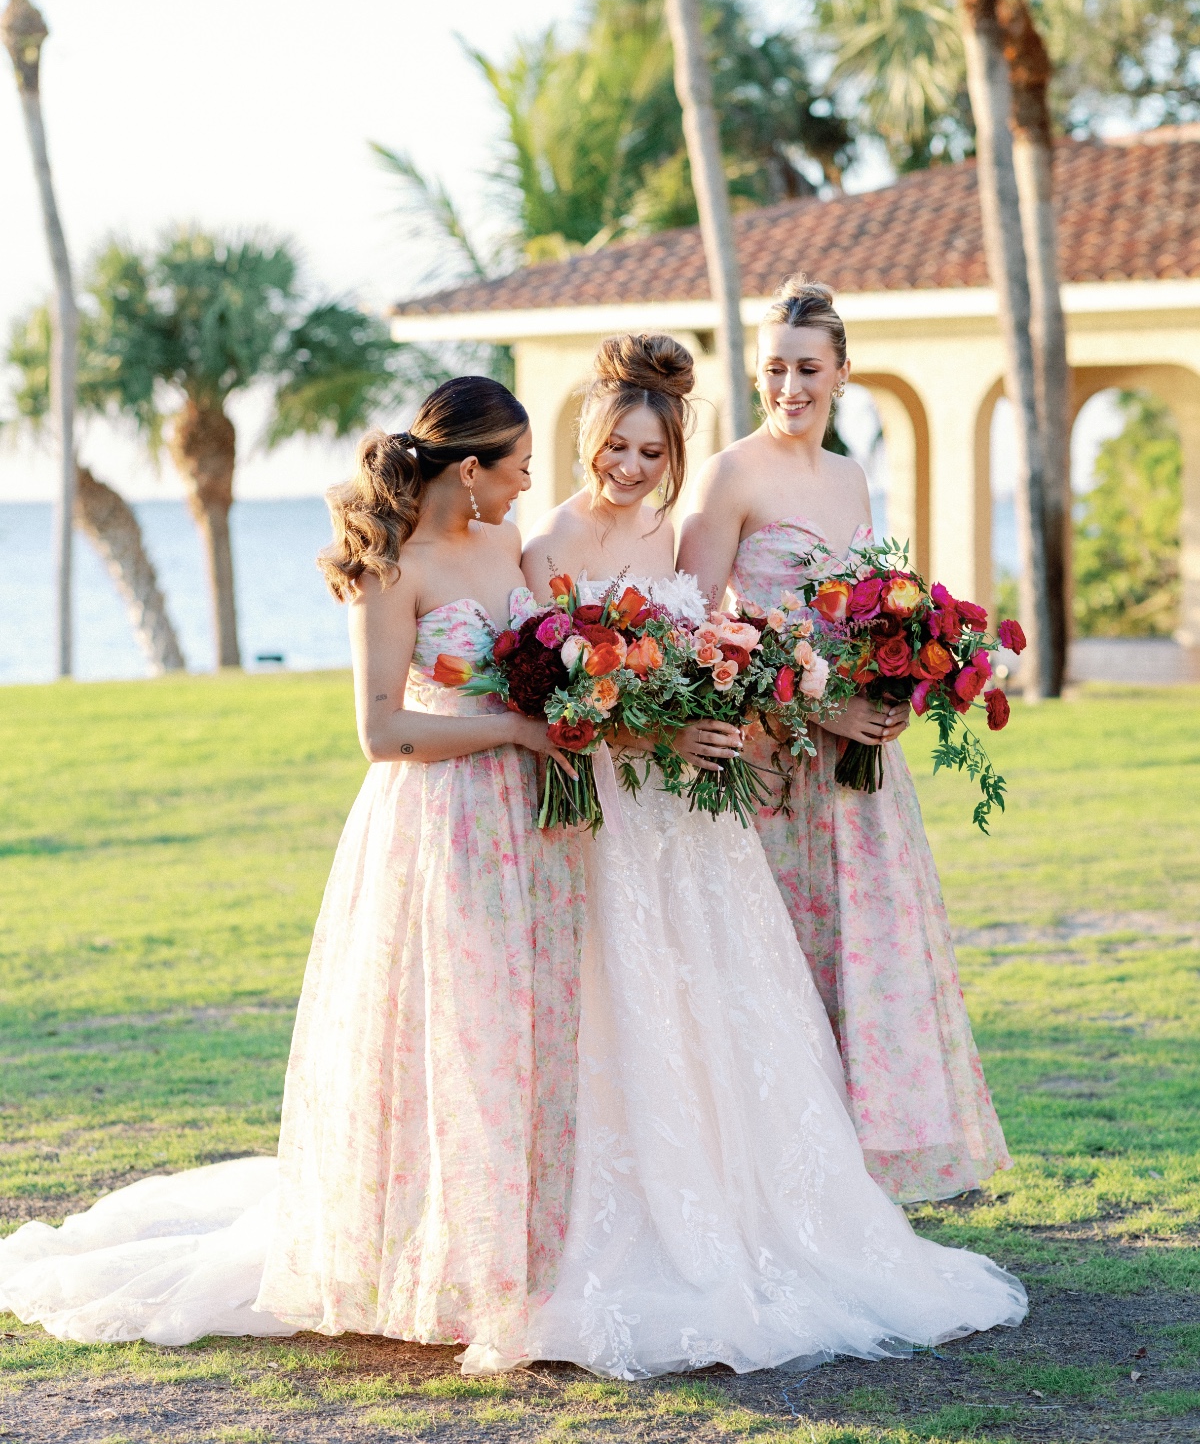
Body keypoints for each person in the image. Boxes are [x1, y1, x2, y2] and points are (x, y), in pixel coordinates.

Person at [0, 377, 586, 1365]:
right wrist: (517, 729)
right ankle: (436, 1261)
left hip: (527, 822)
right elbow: (381, 729)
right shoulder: (390, 570)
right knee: (450, 1030)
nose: (531, 484)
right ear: (473, 469)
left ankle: (524, 1246)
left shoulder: (507, 548)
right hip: (437, 822)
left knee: (523, 1027)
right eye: (521, 467)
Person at [516, 333, 1025, 1378]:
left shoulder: (664, 539)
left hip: (693, 816)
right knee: (630, 1003)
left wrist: (716, 713)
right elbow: (556, 696)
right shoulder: (548, 546)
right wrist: (655, 730)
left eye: (652, 454)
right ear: (587, 439)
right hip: (616, 811)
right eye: (617, 446)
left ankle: (764, 1201)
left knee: (731, 999)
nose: (631, 468)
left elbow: (714, 642)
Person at [677, 280, 1011, 1204]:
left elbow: (863, 610)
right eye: (775, 367)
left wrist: (897, 682)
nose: (790, 385)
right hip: (774, 755)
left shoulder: (851, 478)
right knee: (778, 963)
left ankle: (849, 1185)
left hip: (859, 776)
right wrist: (815, 711)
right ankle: (771, 1180)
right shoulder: (730, 475)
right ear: (756, 371)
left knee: (857, 961)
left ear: (841, 373)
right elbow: (694, 633)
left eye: (808, 368)